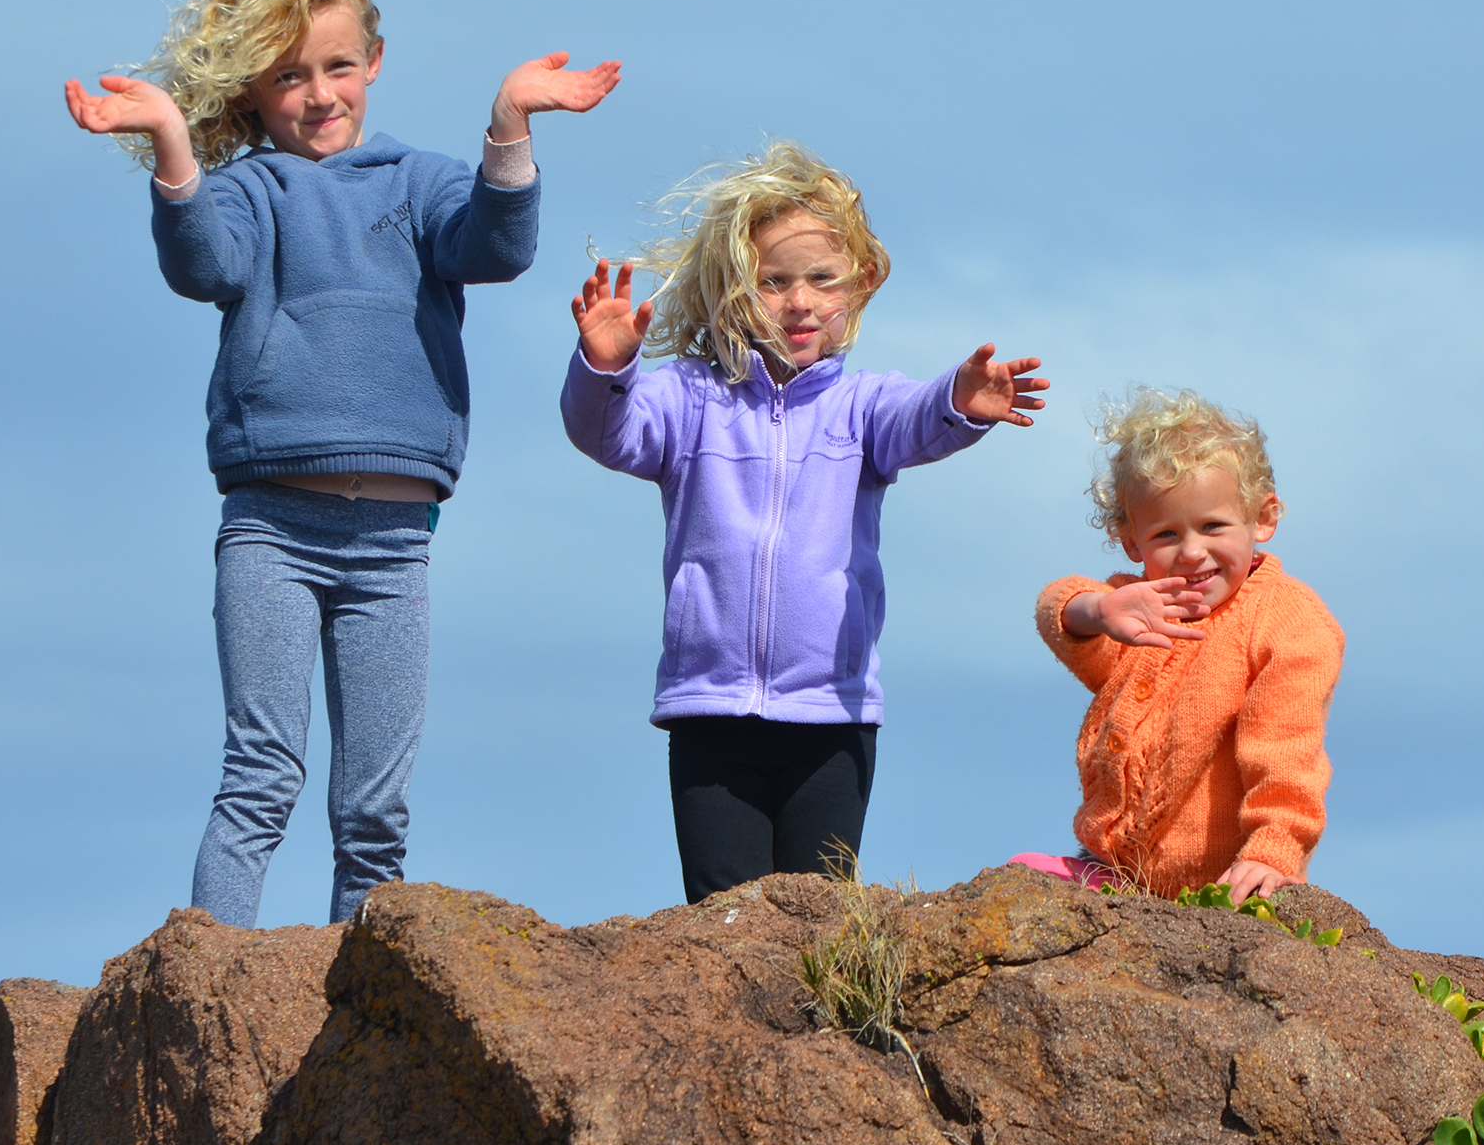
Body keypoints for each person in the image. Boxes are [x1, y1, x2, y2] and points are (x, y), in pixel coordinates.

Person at [65, 0, 619, 926]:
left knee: (374, 809)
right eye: (288, 76)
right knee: (260, 773)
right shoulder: (249, 189)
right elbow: (205, 266)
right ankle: (209, 984)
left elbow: (493, 247)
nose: (319, 94)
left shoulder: (422, 181)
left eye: (337, 66)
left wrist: (510, 124)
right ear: (252, 88)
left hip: (395, 545)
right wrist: (171, 148)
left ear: (373, 63)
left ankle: (357, 1023)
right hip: (272, 527)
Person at [560, 140, 1049, 903]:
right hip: (710, 710)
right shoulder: (689, 398)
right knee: (725, 922)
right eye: (773, 281)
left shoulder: (861, 405)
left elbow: (917, 418)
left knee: (821, 917)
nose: (799, 301)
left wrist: (958, 397)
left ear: (857, 286)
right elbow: (607, 435)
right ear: (731, 292)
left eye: (821, 280)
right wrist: (603, 368)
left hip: (832, 714)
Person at [1012, 387, 1343, 904]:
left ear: (1262, 517)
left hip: (1226, 878)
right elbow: (1057, 607)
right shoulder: (1142, 606)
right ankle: (1109, 881)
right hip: (1117, 869)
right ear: (1131, 540)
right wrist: (1097, 612)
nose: (1191, 552)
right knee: (1023, 878)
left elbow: (1287, 748)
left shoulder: (1287, 619)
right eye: (1166, 534)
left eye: (1213, 526)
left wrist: (1274, 848)